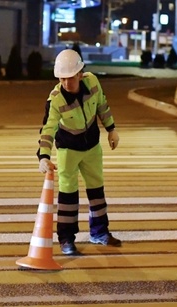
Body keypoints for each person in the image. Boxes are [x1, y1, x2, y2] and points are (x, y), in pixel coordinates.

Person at [37, 49, 121, 255]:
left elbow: (102, 105)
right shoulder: (55, 99)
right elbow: (48, 129)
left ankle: (100, 232)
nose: (66, 83)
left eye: (70, 78)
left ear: (80, 73)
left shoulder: (93, 83)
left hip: (92, 146)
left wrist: (111, 129)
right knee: (68, 196)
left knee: (96, 192)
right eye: (62, 79)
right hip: (68, 150)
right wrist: (43, 156)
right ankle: (66, 239)